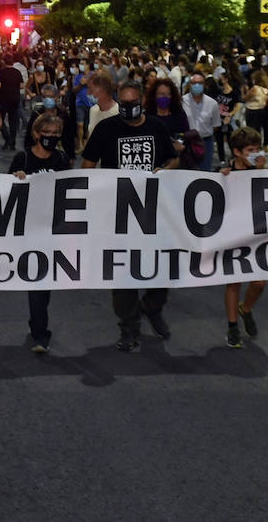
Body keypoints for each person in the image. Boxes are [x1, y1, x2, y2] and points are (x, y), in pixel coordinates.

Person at [81, 81, 179, 352]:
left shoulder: (156, 127)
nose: (126, 108)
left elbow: (174, 159)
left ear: (141, 103)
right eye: (122, 104)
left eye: (131, 103)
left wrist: (165, 170)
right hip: (118, 214)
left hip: (153, 212)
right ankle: (129, 326)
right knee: (123, 273)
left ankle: (152, 306)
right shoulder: (106, 128)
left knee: (162, 267)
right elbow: (87, 164)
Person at [10, 112, 74, 354]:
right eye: (46, 133)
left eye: (55, 134)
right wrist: (16, 179)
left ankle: (37, 323)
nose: (51, 137)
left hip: (54, 228)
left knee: (44, 283)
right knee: (36, 281)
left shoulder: (62, 159)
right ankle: (40, 334)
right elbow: (5, 191)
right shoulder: (22, 158)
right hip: (29, 230)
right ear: (36, 134)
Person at [219, 127, 267, 348]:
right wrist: (223, 178)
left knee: (259, 282)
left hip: (256, 232)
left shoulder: (260, 170)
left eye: (258, 149)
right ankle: (232, 326)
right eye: (250, 150)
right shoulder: (225, 173)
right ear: (237, 152)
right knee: (234, 281)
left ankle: (245, 309)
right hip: (233, 233)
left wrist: (259, 172)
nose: (255, 153)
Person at [181, 73, 221, 171]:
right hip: (187, 142)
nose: (197, 85)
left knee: (204, 171)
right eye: (194, 83)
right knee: (187, 171)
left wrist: (204, 131)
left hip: (205, 142)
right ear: (190, 85)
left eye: (200, 83)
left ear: (204, 85)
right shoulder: (182, 101)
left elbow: (216, 125)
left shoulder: (212, 103)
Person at [0, 56, 24, 149]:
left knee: (0, 120)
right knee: (13, 121)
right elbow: (22, 86)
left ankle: (7, 138)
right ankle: (13, 141)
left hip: (3, 99)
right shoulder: (17, 72)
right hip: (15, 99)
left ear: (4, 62)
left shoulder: (1, 72)